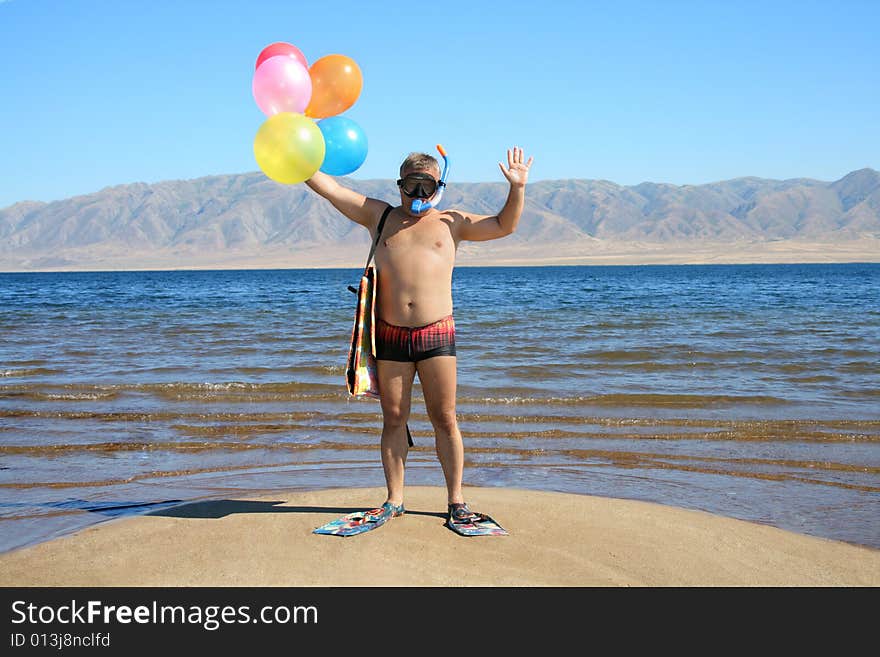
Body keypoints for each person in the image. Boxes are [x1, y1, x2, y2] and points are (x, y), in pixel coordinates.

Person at [305, 146, 533, 530]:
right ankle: (394, 500)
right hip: (390, 335)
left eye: (426, 186)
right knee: (393, 418)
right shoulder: (378, 216)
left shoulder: (451, 222)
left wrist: (517, 187)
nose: (418, 195)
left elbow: (503, 225)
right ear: (399, 185)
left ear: (438, 186)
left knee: (444, 418)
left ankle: (456, 500)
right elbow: (328, 188)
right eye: (411, 186)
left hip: (436, 333)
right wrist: (298, 156)